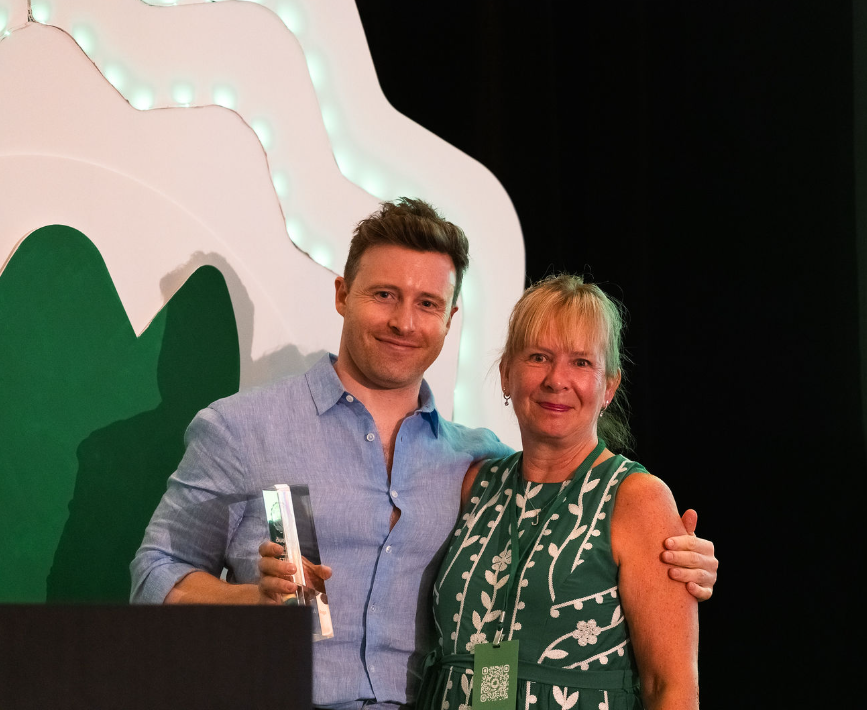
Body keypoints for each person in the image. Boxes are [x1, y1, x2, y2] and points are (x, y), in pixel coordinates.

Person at [133, 199, 716, 709]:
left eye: (428, 303)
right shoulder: (241, 430)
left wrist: (676, 557)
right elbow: (154, 574)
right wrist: (248, 600)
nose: (403, 322)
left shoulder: (474, 466)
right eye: (384, 295)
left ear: (450, 318)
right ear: (342, 295)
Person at [417, 274, 698, 709]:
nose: (556, 379)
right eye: (538, 357)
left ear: (609, 387)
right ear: (507, 374)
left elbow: (671, 688)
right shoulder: (476, 485)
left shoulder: (637, 498)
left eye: (581, 363)